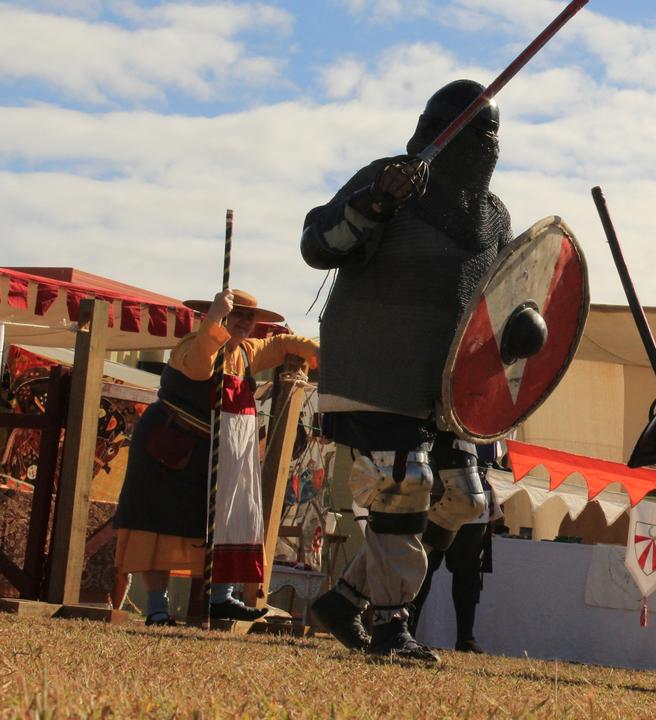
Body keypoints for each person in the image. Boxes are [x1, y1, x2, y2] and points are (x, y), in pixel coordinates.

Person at [300, 79, 513, 663]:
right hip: (377, 370)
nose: (484, 144)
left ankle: (345, 601)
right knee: (405, 488)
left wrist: (518, 332)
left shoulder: (493, 214)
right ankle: (392, 626)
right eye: (475, 131)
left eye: (490, 134)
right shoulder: (388, 178)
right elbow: (318, 243)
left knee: (466, 500)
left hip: (444, 387)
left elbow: (501, 297)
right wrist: (375, 203)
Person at [114, 289, 318, 625]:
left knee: (228, 522)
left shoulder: (246, 352)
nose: (241, 322)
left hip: (216, 455)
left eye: (247, 317)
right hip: (167, 448)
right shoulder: (192, 344)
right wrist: (214, 318)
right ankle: (156, 609)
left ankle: (222, 599)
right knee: (157, 528)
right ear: (216, 316)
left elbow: (282, 345)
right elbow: (199, 364)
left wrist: (321, 355)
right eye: (234, 314)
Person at [408, 441, 504, 653]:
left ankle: (466, 637)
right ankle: (406, 630)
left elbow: (492, 456)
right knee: (424, 565)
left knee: (468, 571)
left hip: (477, 488)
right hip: (438, 484)